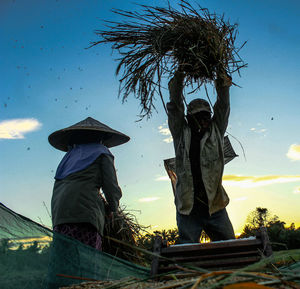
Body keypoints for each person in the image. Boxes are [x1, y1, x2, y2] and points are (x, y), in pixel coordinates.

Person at [167, 70, 235, 243]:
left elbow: (223, 106)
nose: (203, 120)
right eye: (198, 117)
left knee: (230, 246)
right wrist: (180, 76)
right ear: (189, 118)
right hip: (188, 208)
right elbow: (175, 107)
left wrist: (223, 82)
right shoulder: (181, 133)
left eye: (206, 116)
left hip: (215, 206)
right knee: (186, 251)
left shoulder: (216, 130)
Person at [48, 116, 130, 251]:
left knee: (65, 261)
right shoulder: (102, 152)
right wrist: (112, 209)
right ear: (100, 137)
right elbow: (111, 188)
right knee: (86, 261)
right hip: (85, 216)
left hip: (60, 216)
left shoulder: (68, 157)